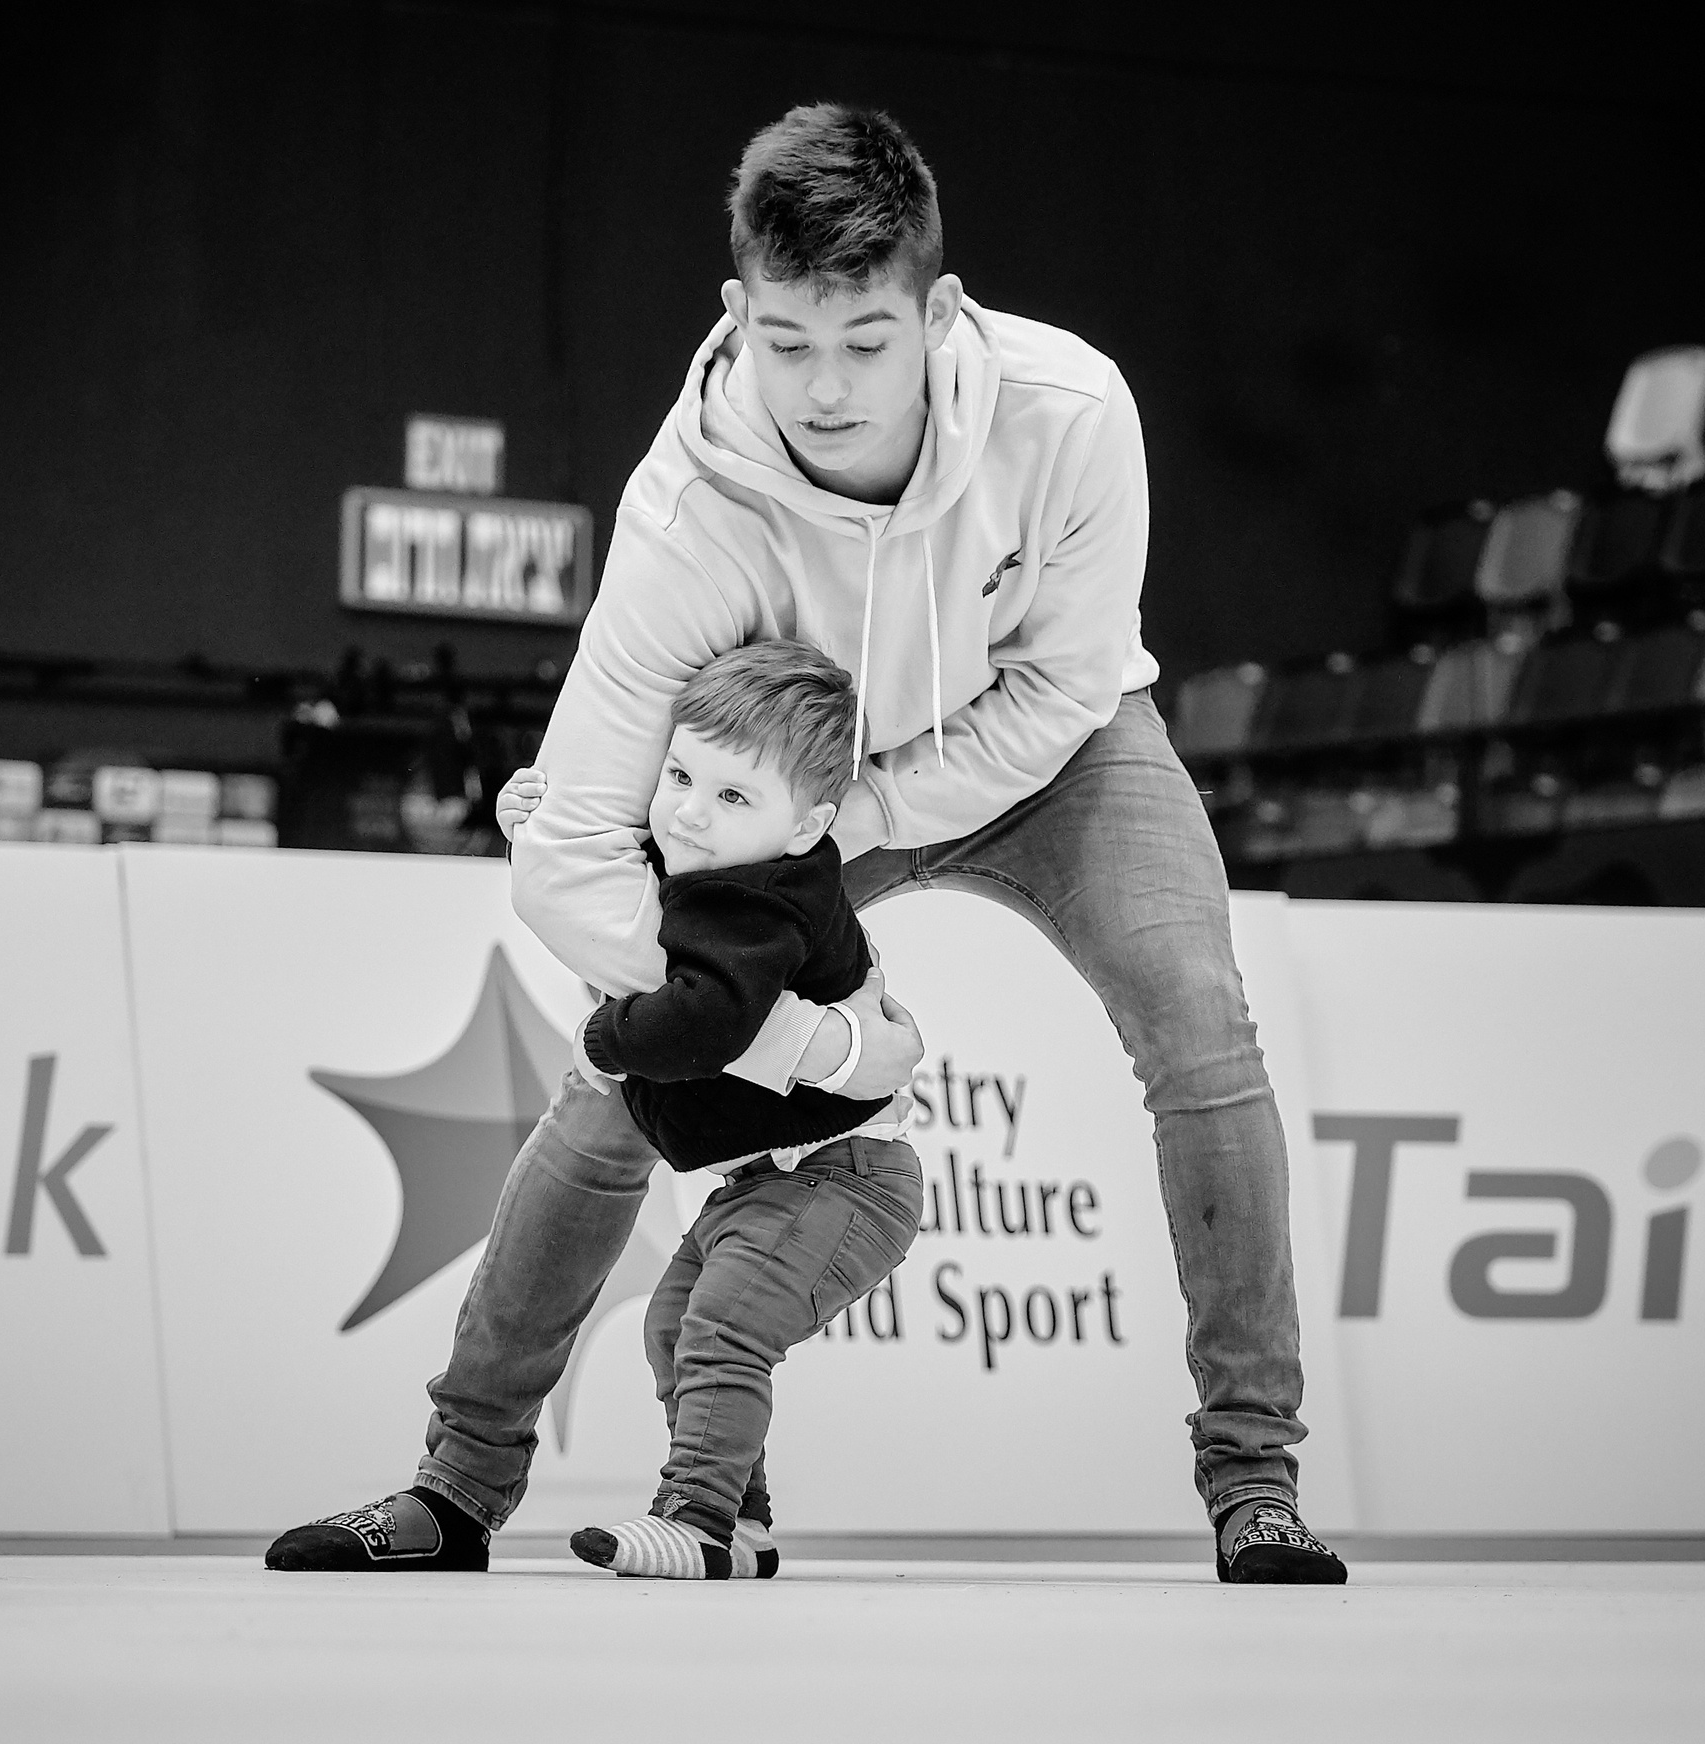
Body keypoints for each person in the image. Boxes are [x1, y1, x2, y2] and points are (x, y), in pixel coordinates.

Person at [266, 101, 1344, 1585]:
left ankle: (1255, 1482)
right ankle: (455, 1488)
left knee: (1204, 1028)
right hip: (795, 798)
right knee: (610, 1074)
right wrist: (767, 1037)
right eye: (786, 343)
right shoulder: (684, 515)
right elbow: (568, 848)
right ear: (737, 314)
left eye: (864, 341)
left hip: (1050, 756)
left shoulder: (1073, 413)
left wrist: (874, 814)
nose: (824, 388)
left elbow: (1064, 687)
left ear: (939, 314)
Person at [543, 638, 919, 1581]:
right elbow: (658, 862)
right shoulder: (727, 864)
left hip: (843, 1181)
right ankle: (743, 1529)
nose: (689, 815)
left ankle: (697, 1517)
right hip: (776, 1180)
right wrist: (541, 819)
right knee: (673, 1327)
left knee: (723, 1327)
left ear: (808, 827)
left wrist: (606, 1039)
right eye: (679, 776)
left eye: (733, 797)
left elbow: (707, 1024)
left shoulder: (761, 905)